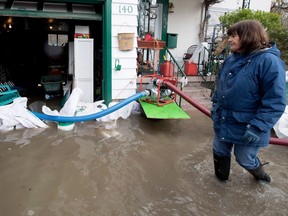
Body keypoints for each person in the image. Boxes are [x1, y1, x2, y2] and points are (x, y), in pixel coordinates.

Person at [210, 20, 286, 183]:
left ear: (249, 36)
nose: (229, 40)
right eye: (229, 36)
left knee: (244, 159)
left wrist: (258, 127)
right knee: (219, 150)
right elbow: (219, 87)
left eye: (234, 36)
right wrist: (215, 107)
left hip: (249, 125)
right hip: (224, 118)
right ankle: (220, 183)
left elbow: (275, 101)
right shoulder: (231, 59)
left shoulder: (269, 62)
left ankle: (263, 178)